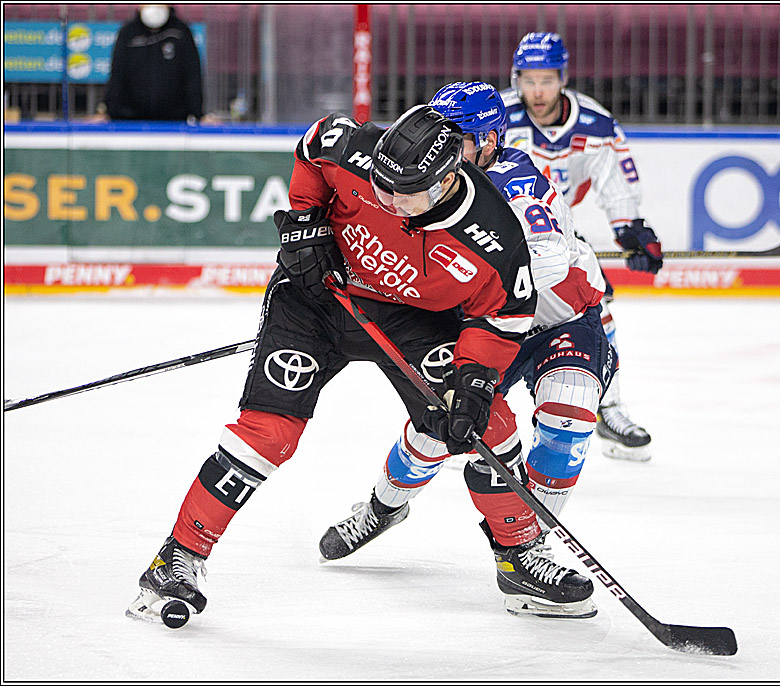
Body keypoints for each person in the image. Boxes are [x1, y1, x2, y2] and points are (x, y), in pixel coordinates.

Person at [126, 105, 595, 626]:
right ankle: (177, 559)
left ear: (444, 181)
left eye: (400, 193)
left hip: (410, 319)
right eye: (379, 184)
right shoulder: (359, 151)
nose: (383, 198)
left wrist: (476, 382)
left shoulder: (494, 236)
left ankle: (519, 558)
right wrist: (305, 220)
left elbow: (502, 316)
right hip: (317, 298)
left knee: (489, 426)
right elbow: (312, 145)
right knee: (268, 432)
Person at [318, 82, 615, 620]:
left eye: (455, 139)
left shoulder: (513, 181)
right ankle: (383, 507)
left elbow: (543, 266)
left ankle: (526, 553)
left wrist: (476, 268)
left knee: (567, 417)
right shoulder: (423, 182)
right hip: (486, 324)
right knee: (442, 427)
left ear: (488, 138)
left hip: (556, 318)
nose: (441, 148)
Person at [501, 32, 663, 462]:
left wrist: (630, 231)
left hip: (554, 236)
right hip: (491, 238)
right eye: (529, 80)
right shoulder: (497, 116)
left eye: (546, 79)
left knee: (595, 309)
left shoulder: (594, 123)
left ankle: (606, 406)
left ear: (562, 78)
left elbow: (616, 180)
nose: (537, 91)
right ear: (517, 78)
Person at [102, 4, 204, 122]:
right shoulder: (128, 32)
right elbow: (117, 74)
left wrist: (197, 113)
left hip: (173, 120)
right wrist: (110, 111)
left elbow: (192, 75)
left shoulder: (181, 32)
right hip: (130, 119)